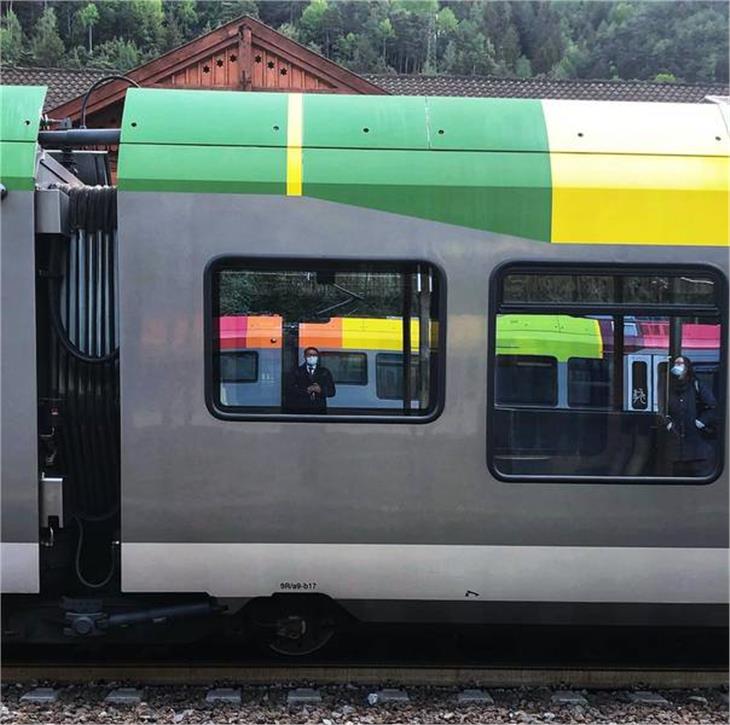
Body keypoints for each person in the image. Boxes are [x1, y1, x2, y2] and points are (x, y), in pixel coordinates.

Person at [662, 355, 717, 477]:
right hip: (677, 454)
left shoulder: (697, 385)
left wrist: (700, 422)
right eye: (675, 363)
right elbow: (661, 410)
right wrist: (669, 425)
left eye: (680, 364)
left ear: (687, 368)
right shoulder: (668, 388)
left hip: (698, 452)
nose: (677, 367)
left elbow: (713, 407)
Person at [286, 347, 336, 413]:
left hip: (319, 409)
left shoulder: (324, 372)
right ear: (305, 356)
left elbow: (332, 392)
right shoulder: (296, 371)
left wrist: (320, 390)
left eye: (314, 355)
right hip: (300, 409)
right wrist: (306, 390)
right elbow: (290, 390)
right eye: (309, 355)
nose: (312, 357)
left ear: (317, 357)